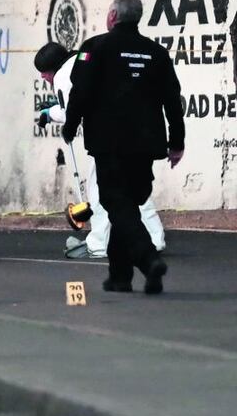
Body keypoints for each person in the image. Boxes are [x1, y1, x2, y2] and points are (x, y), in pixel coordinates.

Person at [62, 0, 184, 295]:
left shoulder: (94, 48)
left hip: (109, 144)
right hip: (146, 145)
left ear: (113, 16)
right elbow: (173, 98)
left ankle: (147, 258)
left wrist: (70, 123)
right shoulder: (156, 53)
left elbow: (80, 90)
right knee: (127, 204)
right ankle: (120, 277)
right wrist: (177, 142)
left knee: (117, 203)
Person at [33, 42, 166, 258]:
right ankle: (153, 238)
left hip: (109, 139)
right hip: (134, 130)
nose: (42, 77)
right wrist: (54, 110)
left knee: (101, 190)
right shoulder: (87, 63)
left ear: (52, 68)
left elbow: (72, 112)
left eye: (43, 72)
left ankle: (98, 244)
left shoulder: (63, 76)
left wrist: (51, 113)